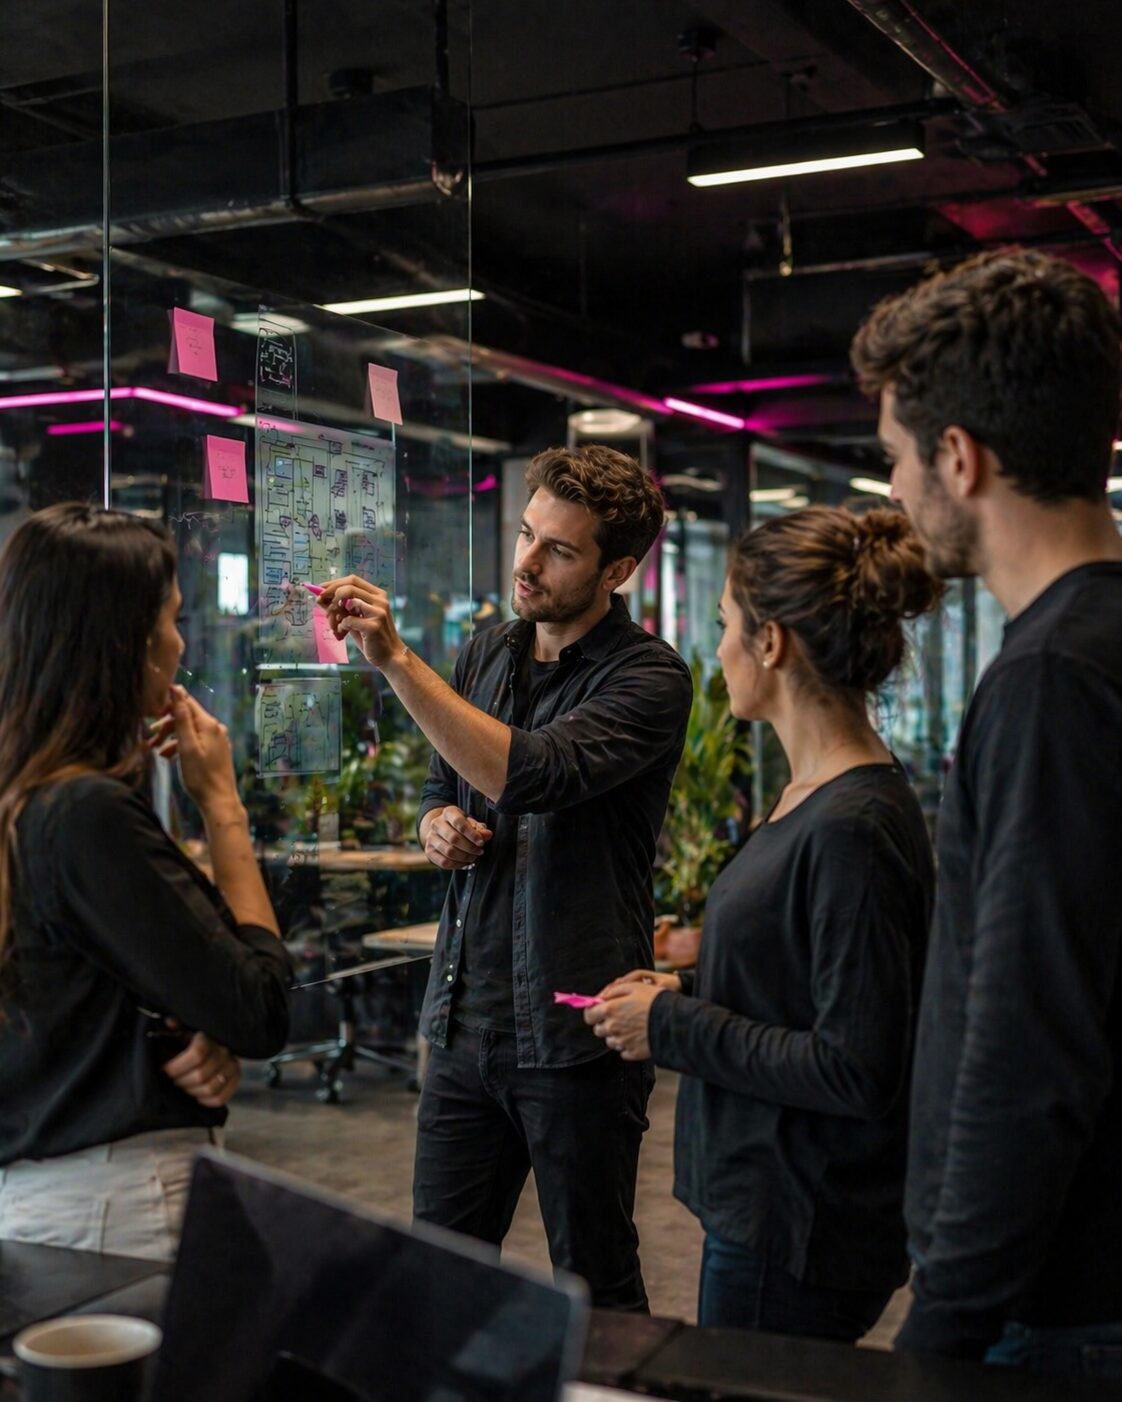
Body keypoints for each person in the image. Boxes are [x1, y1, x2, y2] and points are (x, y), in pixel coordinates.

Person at [316, 444, 692, 1310]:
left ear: (619, 569)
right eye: (527, 535)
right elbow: (442, 782)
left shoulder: (649, 679)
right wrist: (432, 822)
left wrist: (396, 661)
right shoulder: (488, 651)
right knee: (437, 1278)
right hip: (461, 1027)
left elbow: (533, 773)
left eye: (559, 550)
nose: (526, 562)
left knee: (594, 1286)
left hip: (573, 1039)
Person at [849, 248, 1122, 1376]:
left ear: (959, 458)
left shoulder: (1050, 681)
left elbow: (1027, 1044)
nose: (895, 493)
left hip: (1054, 1311)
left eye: (896, 462)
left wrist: (941, 1330)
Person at [585, 505, 940, 1342]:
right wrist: (684, 984)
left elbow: (857, 1063)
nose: (719, 652)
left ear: (771, 642)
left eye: (726, 627)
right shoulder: (815, 796)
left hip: (797, 1223)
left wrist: (672, 1024)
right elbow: (805, 977)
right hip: (766, 1202)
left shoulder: (854, 826)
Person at [0, 504, 293, 1262]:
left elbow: (62, 993)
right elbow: (259, 1007)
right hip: (112, 1204)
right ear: (121, 643)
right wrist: (222, 801)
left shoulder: (23, 801)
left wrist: (160, 1034)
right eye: (171, 619)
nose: (180, 642)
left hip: (43, 1201)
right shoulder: (83, 812)